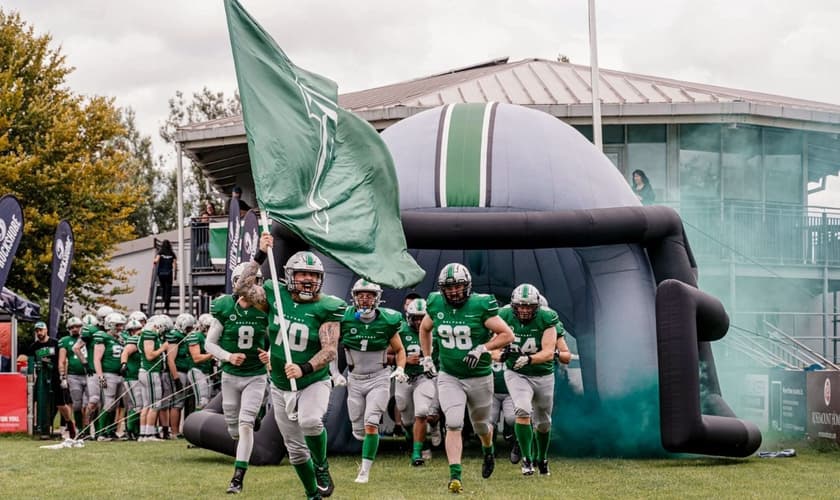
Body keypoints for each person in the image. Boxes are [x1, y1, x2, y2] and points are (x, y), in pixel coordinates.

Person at [238, 234, 346, 500]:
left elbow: (330, 350)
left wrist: (304, 368)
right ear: (289, 275)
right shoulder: (276, 295)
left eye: (313, 275)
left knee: (310, 421)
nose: (308, 279)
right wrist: (260, 255)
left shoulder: (327, 306)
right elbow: (242, 288)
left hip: (313, 380)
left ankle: (321, 467)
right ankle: (312, 494)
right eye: (302, 274)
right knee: (295, 450)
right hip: (280, 383)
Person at [419, 263, 514, 494]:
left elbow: (507, 334)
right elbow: (424, 329)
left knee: (481, 425)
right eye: (449, 288)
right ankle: (455, 476)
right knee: (453, 422)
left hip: (479, 376)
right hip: (449, 374)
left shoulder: (480, 305)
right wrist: (428, 357)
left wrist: (482, 347)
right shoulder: (435, 303)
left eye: (458, 286)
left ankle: (488, 449)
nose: (453, 292)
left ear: (467, 286)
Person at [205, 262, 270, 494]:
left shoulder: (266, 309)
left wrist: (270, 354)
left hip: (256, 374)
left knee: (245, 425)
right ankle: (255, 416)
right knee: (232, 425)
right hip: (231, 375)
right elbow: (209, 344)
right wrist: (229, 356)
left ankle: (238, 477)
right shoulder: (225, 307)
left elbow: (280, 338)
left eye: (255, 282)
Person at [340, 279, 407, 484]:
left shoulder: (387, 320)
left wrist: (401, 367)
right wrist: (334, 372)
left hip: (379, 377)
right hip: (355, 378)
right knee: (357, 427)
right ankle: (368, 445)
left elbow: (400, 350)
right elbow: (330, 344)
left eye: (369, 295)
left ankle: (365, 471)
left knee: (371, 422)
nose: (365, 298)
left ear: (377, 298)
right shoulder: (344, 317)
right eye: (361, 294)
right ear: (354, 296)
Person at [499, 284, 561, 476]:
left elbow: (549, 352)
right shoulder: (503, 315)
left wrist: (529, 358)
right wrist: (500, 354)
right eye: (520, 306)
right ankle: (526, 459)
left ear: (537, 307)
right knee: (523, 409)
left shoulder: (547, 317)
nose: (524, 310)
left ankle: (541, 458)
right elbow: (490, 346)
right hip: (516, 372)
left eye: (529, 306)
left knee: (543, 423)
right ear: (513, 305)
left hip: (542, 373)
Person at [394, 297, 442, 466]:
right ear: (409, 317)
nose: (420, 321)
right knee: (406, 418)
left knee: (422, 412)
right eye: (416, 317)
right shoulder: (400, 331)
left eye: (423, 317)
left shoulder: (436, 331)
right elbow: (385, 356)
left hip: (425, 377)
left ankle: (417, 453)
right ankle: (413, 437)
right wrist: (405, 360)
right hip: (404, 377)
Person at [28, 321, 75, 439]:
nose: (39, 333)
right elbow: (31, 362)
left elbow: (64, 360)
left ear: (46, 330)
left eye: (41, 330)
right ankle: (42, 428)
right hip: (42, 378)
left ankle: (69, 422)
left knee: (60, 403)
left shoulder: (55, 343)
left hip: (56, 376)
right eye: (37, 331)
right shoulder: (34, 346)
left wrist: (63, 376)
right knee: (40, 402)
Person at [93, 312, 127, 441]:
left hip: (119, 375)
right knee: (108, 403)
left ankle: (110, 431)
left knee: (115, 404)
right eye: (117, 325)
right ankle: (101, 433)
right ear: (110, 325)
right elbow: (97, 359)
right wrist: (101, 377)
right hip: (108, 374)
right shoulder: (103, 338)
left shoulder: (120, 338)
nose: (120, 328)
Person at [138, 315, 170, 442]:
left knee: (147, 404)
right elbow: (150, 355)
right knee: (155, 404)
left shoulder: (147, 334)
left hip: (147, 372)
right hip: (150, 371)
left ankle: (143, 434)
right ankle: (149, 434)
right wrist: (163, 348)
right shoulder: (149, 334)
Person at [167, 313, 197, 437]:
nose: (190, 330)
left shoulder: (183, 336)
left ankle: (181, 430)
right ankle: (174, 431)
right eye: (188, 328)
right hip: (179, 372)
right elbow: (170, 359)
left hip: (186, 371)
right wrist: (176, 378)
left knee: (184, 402)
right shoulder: (175, 336)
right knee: (177, 403)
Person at [58, 317, 86, 439]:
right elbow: (62, 360)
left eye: (77, 326)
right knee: (77, 404)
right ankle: (80, 428)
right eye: (72, 327)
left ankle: (90, 428)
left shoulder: (88, 338)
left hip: (89, 374)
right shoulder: (65, 340)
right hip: (74, 375)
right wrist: (63, 376)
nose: (75, 329)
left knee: (91, 403)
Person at [119, 319, 144, 441]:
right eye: (132, 330)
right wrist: (123, 364)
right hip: (132, 376)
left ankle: (134, 429)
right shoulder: (133, 341)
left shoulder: (142, 339)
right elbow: (126, 352)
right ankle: (131, 430)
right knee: (136, 404)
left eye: (137, 329)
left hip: (138, 376)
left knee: (136, 405)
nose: (135, 332)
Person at [187, 313, 216, 410]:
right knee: (202, 400)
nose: (210, 329)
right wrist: (214, 354)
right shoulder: (195, 336)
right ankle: (196, 423)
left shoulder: (209, 337)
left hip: (207, 371)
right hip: (197, 370)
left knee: (209, 401)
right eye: (208, 326)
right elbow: (196, 358)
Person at [154, 240, 177, 314]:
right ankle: (166, 308)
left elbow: (156, 261)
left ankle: (164, 301)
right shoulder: (172, 254)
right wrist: (175, 275)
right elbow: (175, 265)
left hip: (161, 274)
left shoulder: (160, 253)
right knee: (168, 291)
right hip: (169, 274)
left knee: (163, 288)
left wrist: (154, 262)